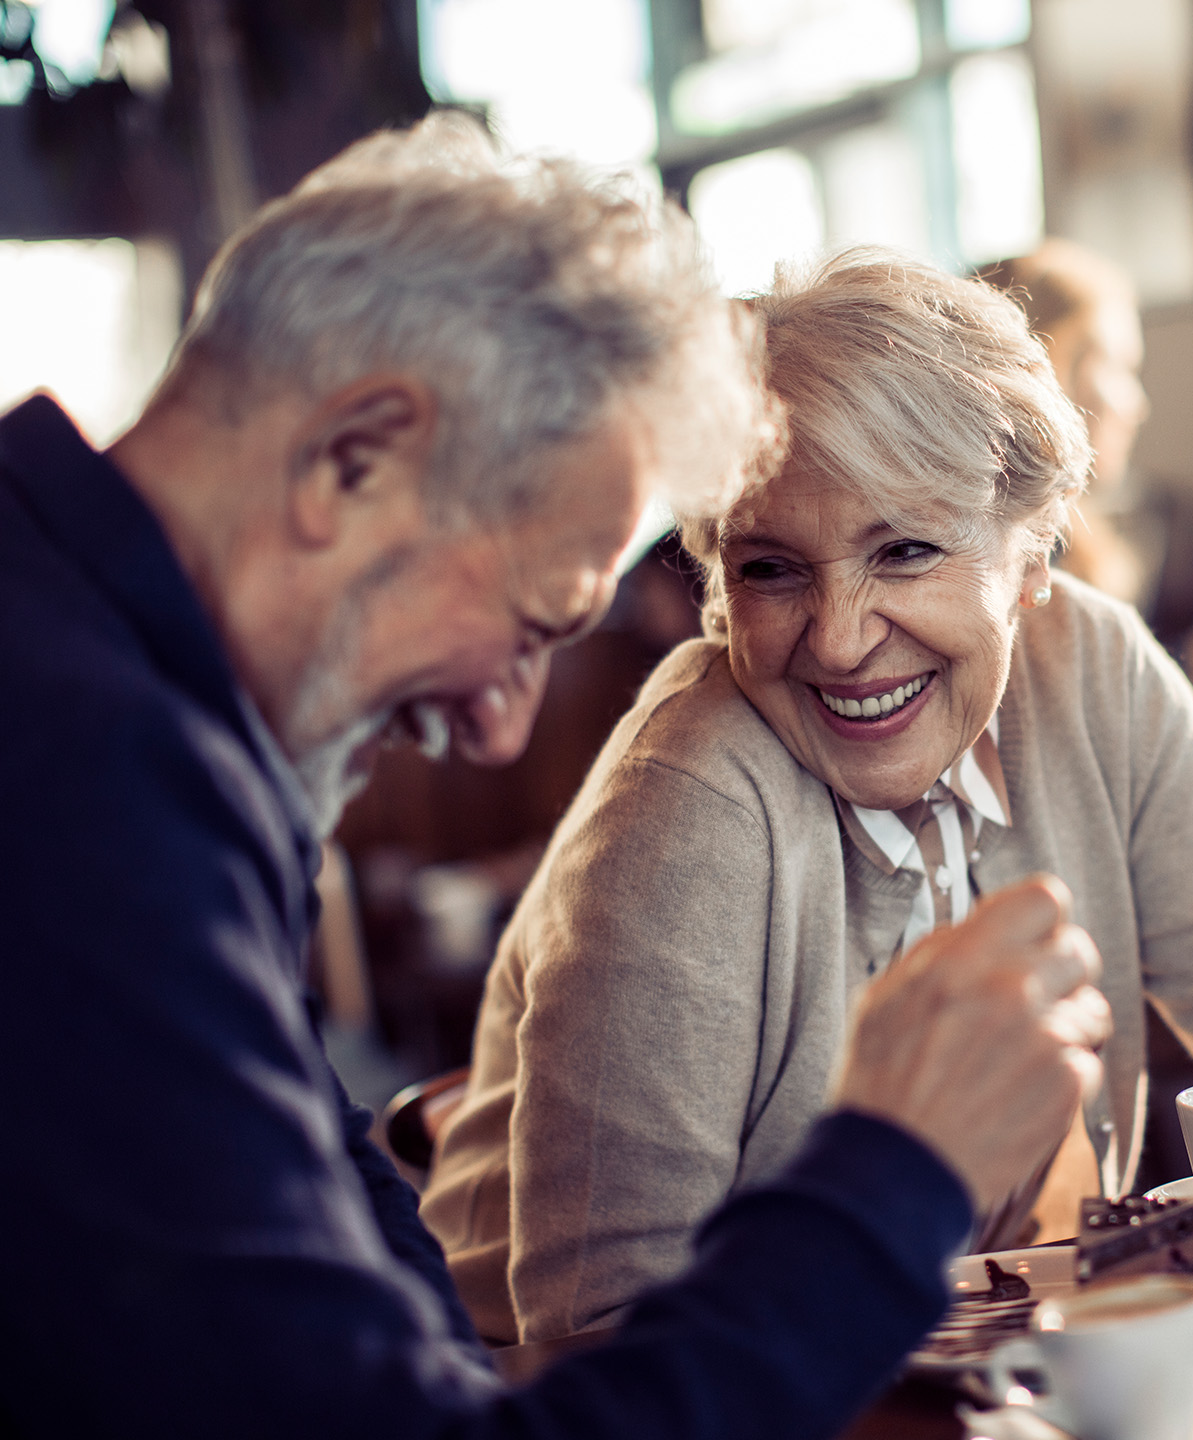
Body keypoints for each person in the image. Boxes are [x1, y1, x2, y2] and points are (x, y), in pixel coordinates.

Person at [0, 116, 1113, 1439]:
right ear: (355, 460)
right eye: (534, 620)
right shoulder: (80, 785)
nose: (497, 731)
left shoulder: (91, 676)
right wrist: (897, 1169)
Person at [422, 250, 1193, 1344]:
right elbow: (603, 1326)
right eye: (772, 568)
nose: (837, 642)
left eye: (904, 552)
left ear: (1034, 556)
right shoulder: (687, 801)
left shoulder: (1093, 669)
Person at [977, 239, 1193, 731]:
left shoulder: (1087, 544)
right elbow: (1124, 746)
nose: (1136, 405)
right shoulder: (997, 561)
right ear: (1045, 374)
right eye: (1119, 368)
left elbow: (1160, 731)